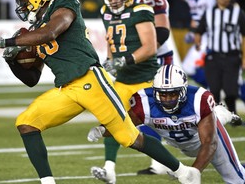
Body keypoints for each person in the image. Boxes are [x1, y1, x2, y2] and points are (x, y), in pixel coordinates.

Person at [0, 0, 199, 184]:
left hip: (91, 81)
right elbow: (31, 78)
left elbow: (51, 32)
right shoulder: (35, 27)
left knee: (130, 138)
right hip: (67, 89)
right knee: (26, 123)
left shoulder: (63, 2)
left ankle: (184, 172)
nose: (23, 3)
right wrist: (11, 59)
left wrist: (7, 42)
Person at [88, 64, 245, 184]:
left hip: (206, 142)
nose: (167, 99)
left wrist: (195, 171)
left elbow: (210, 143)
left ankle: (221, 114)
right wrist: (102, 130)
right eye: (162, 94)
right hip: (183, 144)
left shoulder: (198, 100)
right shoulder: (144, 103)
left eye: (173, 94)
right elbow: (123, 126)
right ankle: (220, 113)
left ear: (183, 91)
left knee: (237, 179)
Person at [90, 0, 175, 180]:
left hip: (147, 73)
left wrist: (126, 59)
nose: (114, 0)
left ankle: (176, 166)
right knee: (112, 118)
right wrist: (111, 61)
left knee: (162, 123)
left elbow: (154, 42)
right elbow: (112, 40)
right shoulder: (105, 11)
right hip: (124, 77)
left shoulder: (144, 5)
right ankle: (109, 169)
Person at [194, 0, 245, 126]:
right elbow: (199, 30)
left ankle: (234, 117)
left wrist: (244, 58)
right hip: (213, 57)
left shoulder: (237, 12)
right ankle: (214, 119)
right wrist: (198, 43)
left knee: (231, 92)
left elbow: (244, 36)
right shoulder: (209, 13)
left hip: (232, 56)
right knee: (214, 90)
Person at [182, 0, 221, 87]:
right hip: (203, 35)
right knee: (188, 67)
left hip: (217, 32)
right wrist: (192, 32)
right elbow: (195, 18)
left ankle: (216, 87)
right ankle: (215, 87)